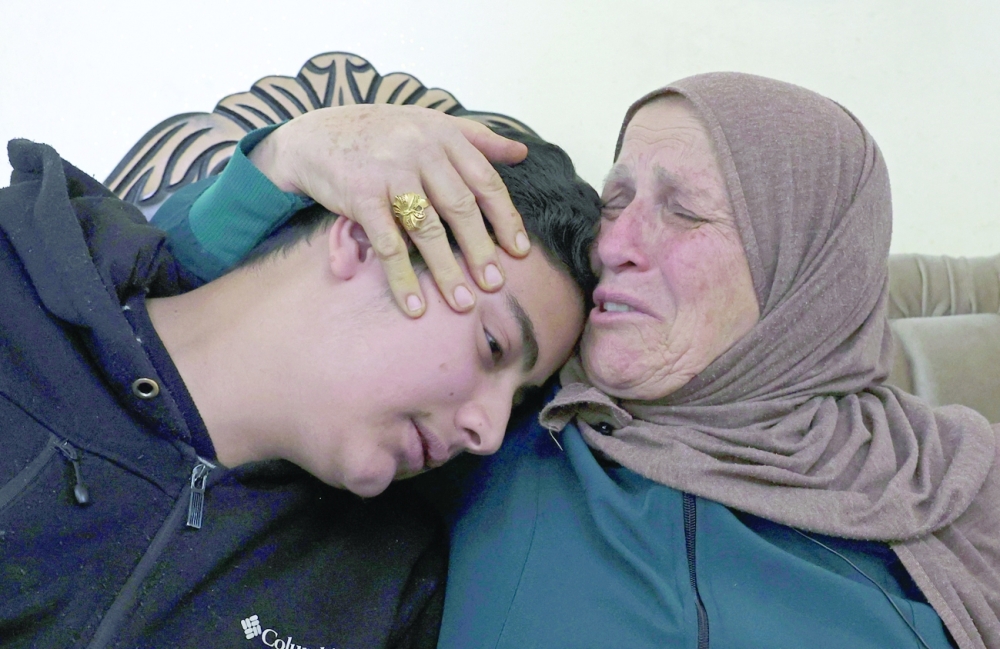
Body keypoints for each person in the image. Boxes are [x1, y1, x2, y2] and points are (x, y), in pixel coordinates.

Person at [166, 73, 1000, 649]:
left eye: (685, 211)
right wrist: (287, 158)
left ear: (809, 277)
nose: (617, 243)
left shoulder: (949, 484)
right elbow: (166, 336)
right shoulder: (505, 425)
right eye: (619, 198)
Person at [0, 126, 599, 648]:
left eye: (519, 401)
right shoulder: (15, 308)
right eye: (494, 346)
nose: (489, 432)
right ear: (368, 238)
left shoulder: (389, 587)